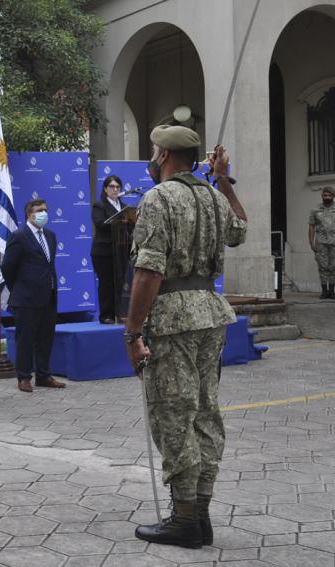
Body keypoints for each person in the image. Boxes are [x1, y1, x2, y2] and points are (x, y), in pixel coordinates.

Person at [125, 126, 247, 549]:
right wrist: (223, 180)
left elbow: (149, 270)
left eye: (154, 150)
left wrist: (132, 332)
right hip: (210, 313)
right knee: (205, 413)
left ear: (162, 155)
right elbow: (240, 230)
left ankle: (184, 519)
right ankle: (201, 515)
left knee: (174, 414)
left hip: (173, 315)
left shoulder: (157, 199)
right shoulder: (214, 195)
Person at [0, 199, 67, 394]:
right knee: (26, 338)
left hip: (48, 295)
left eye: (46, 210)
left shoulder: (50, 236)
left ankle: (44, 375)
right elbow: (7, 267)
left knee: (46, 337)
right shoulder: (19, 236)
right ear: (29, 215)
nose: (44, 213)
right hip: (26, 298)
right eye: (39, 211)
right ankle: (24, 377)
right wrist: (19, 287)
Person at [91, 175, 127, 323]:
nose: (115, 189)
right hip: (103, 252)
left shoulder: (124, 206)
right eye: (112, 187)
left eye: (118, 187)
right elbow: (100, 224)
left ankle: (121, 313)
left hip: (121, 251)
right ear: (105, 189)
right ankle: (106, 315)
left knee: (121, 283)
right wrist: (119, 222)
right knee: (106, 283)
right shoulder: (99, 206)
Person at [309, 186, 335, 299]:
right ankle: (324, 291)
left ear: (333, 196)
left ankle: (332, 291)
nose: (327, 197)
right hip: (321, 242)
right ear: (322, 196)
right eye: (325, 195)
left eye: (329, 195)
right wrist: (311, 242)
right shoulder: (315, 209)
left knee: (333, 267)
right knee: (322, 267)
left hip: (334, 242)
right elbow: (311, 226)